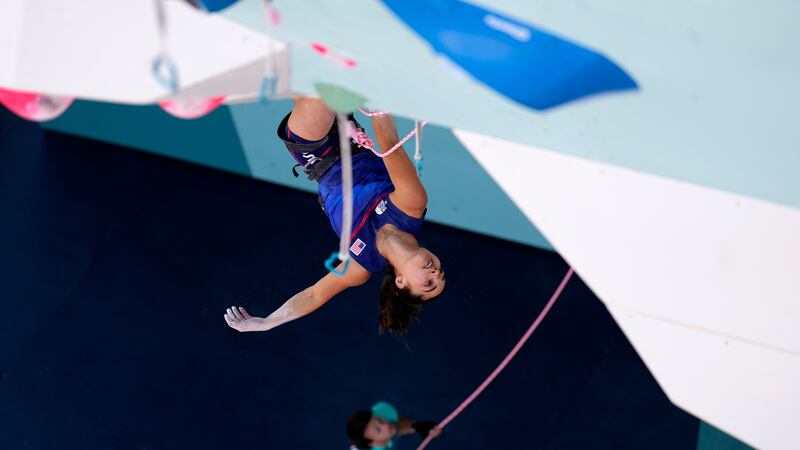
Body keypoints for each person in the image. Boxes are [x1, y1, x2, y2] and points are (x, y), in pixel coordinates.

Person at [224, 98, 445, 335]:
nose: (434, 272)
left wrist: (266, 322)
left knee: (318, 91)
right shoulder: (411, 206)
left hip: (316, 153)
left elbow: (314, 294)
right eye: (440, 272)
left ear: (401, 282)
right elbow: (390, 146)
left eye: (429, 284)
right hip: (349, 134)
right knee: (315, 76)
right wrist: (379, 97)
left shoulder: (360, 266)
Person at [347, 401, 441, 449]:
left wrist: (423, 428)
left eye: (380, 420)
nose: (386, 425)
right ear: (373, 443)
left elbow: (400, 424)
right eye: (378, 430)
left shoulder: (383, 410)